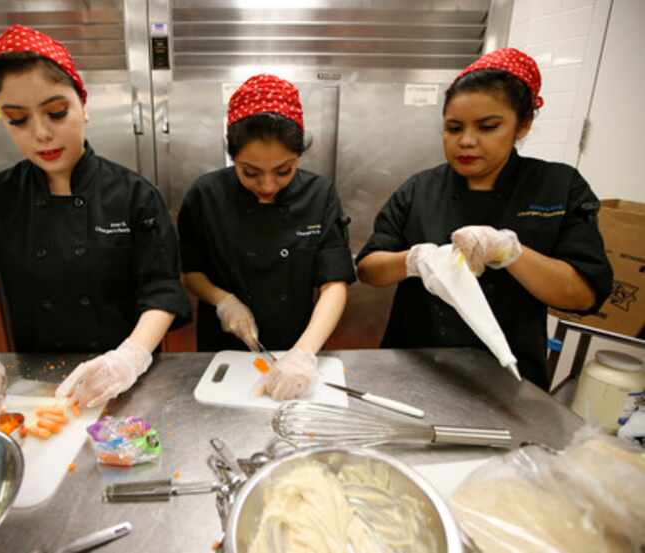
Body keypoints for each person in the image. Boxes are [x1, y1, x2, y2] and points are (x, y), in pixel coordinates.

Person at [0, 25, 189, 407]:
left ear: (83, 105)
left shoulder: (134, 195)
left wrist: (127, 359)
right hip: (35, 387)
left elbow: (162, 291)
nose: (41, 134)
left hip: (129, 385)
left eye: (56, 112)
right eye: (18, 119)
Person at [356, 48, 613, 389]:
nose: (466, 141)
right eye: (453, 127)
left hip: (511, 378)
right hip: (414, 366)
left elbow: (584, 294)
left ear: (523, 124)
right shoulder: (421, 188)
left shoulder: (558, 186)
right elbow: (368, 269)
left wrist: (509, 252)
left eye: (488, 126)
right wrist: (416, 260)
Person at [177, 74, 355, 400]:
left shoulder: (319, 194)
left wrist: (303, 354)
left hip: (300, 344)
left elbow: (334, 284)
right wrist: (224, 301)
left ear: (300, 155)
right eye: (251, 172)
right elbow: (191, 273)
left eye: (283, 171)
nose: (268, 186)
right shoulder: (205, 195)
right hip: (222, 354)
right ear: (232, 156)